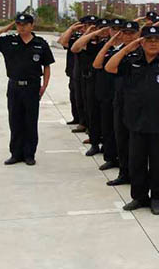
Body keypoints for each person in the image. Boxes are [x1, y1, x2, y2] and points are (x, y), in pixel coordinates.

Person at [105, 25, 159, 215]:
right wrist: (128, 48)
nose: (153, 43)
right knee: (137, 162)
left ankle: (156, 198)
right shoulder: (132, 60)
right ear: (141, 42)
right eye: (148, 40)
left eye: (156, 40)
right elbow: (109, 67)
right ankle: (139, 197)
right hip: (135, 121)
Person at [0, 13, 55, 166]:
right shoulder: (9, 41)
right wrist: (4, 29)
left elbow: (47, 66)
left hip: (32, 87)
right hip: (14, 87)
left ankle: (29, 155)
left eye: (25, 24)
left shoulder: (40, 44)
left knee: (30, 122)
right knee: (15, 121)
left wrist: (44, 86)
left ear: (32, 26)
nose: (22, 27)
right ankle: (15, 154)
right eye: (19, 24)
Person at [94, 20, 140, 185]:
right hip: (120, 101)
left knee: (136, 144)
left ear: (138, 34)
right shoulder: (118, 52)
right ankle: (124, 173)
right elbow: (98, 64)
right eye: (125, 33)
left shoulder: (144, 52)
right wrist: (111, 42)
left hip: (138, 105)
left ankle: (137, 176)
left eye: (132, 33)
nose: (129, 36)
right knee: (121, 139)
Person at [71, 18, 110, 156]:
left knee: (106, 116)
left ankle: (107, 145)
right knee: (92, 113)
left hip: (106, 82)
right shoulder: (90, 43)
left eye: (107, 29)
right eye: (101, 28)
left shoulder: (111, 45)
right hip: (91, 81)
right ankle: (94, 143)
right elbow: (75, 47)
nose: (104, 31)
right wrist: (93, 33)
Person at [57, 21, 84, 126]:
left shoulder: (91, 39)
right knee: (74, 97)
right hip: (73, 72)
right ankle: (76, 118)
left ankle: (83, 122)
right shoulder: (75, 37)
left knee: (82, 99)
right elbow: (62, 41)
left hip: (83, 73)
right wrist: (71, 29)